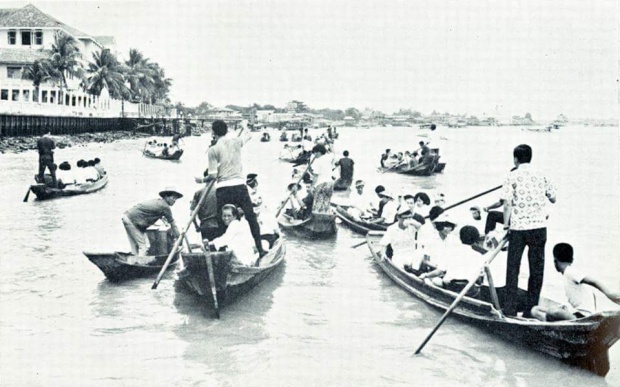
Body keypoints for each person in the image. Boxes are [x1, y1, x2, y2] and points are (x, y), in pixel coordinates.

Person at [196, 120, 266, 257]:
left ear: (213, 133)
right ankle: (260, 248)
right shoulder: (235, 142)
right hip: (240, 186)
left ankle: (222, 253)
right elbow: (249, 135)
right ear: (227, 131)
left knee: (222, 221)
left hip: (223, 188)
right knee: (251, 218)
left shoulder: (213, 149)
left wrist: (201, 180)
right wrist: (245, 125)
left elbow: (212, 175)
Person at [503, 144, 557, 317]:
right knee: (536, 270)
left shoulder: (512, 176)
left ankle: (510, 310)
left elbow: (507, 204)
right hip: (539, 228)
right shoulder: (542, 174)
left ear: (516, 159)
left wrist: (506, 225)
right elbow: (553, 198)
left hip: (518, 229)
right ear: (530, 157)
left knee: (513, 269)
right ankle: (530, 311)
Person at [531, 243, 620, 321]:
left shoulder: (570, 271)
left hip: (583, 316)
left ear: (555, 261)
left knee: (552, 311)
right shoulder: (568, 273)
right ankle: (552, 324)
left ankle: (569, 322)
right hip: (576, 313)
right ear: (572, 260)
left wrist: (609, 294)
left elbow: (593, 281)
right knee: (535, 310)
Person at [420, 225, 484, 296]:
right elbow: (480, 277)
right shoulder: (479, 256)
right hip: (470, 290)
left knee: (433, 280)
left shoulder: (450, 252)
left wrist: (425, 275)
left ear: (460, 237)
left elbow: (438, 272)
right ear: (475, 240)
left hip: (452, 287)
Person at [122, 187, 182, 256]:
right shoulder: (165, 207)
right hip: (132, 221)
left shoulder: (159, 202)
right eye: (173, 198)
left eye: (176, 199)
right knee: (143, 247)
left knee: (136, 247)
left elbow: (164, 219)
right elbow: (173, 225)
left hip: (128, 217)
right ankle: (140, 265)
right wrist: (180, 239)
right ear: (166, 197)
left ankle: (135, 261)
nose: (174, 200)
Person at [190, 170, 220, 241]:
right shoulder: (219, 192)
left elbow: (192, 214)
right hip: (217, 225)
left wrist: (196, 226)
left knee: (206, 248)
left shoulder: (198, 193)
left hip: (204, 226)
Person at [307, 144, 334, 215]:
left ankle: (316, 222)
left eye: (314, 153)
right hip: (330, 184)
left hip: (321, 184)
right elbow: (333, 153)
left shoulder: (317, 161)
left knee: (317, 206)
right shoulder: (329, 158)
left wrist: (311, 187)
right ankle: (325, 220)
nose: (314, 155)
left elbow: (315, 176)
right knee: (326, 205)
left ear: (318, 152)